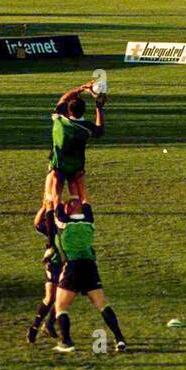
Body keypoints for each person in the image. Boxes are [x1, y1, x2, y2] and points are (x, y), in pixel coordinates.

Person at [50, 197, 126, 354]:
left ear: (68, 210)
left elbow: (55, 199)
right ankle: (119, 339)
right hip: (90, 267)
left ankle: (66, 341)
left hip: (73, 267)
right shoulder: (89, 220)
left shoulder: (64, 223)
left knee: (61, 306)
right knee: (102, 304)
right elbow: (84, 198)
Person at [44, 82, 104, 206]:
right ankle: (76, 216)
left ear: (69, 110)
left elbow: (64, 98)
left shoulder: (59, 119)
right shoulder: (86, 128)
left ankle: (54, 211)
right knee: (77, 197)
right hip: (76, 166)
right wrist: (99, 107)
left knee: (54, 193)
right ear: (84, 111)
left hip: (58, 163)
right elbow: (100, 130)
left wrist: (81, 88)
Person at [27, 197, 62, 344]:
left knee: (61, 297)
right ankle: (36, 327)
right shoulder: (52, 226)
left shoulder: (68, 224)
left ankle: (48, 325)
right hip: (54, 264)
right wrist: (43, 207)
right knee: (51, 298)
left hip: (66, 264)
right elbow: (37, 224)